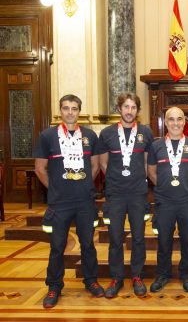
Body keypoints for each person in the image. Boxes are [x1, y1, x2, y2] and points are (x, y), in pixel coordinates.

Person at [35, 94, 104, 308]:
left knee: (88, 245)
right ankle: (54, 285)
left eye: (74, 108)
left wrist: (82, 186)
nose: (70, 112)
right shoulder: (47, 136)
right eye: (66, 108)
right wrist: (57, 189)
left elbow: (94, 167)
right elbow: (39, 168)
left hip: (84, 201)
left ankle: (91, 281)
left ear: (79, 111)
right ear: (60, 111)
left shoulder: (90, 136)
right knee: (57, 246)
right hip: (59, 203)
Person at [98, 92, 154, 298]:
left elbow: (148, 162)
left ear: (138, 111)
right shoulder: (107, 133)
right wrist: (117, 179)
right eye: (126, 107)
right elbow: (103, 163)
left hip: (139, 193)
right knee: (115, 237)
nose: (129, 111)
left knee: (139, 237)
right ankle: (116, 278)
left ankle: (137, 276)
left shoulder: (146, 133)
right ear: (119, 109)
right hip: (115, 194)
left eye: (133, 107)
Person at [147, 107, 188, 293]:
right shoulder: (156, 146)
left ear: (185, 122)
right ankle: (163, 274)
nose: (176, 123)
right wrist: (163, 187)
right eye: (171, 119)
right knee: (164, 241)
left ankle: (187, 275)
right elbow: (151, 172)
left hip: (187, 202)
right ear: (165, 122)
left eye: (179, 119)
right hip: (164, 202)